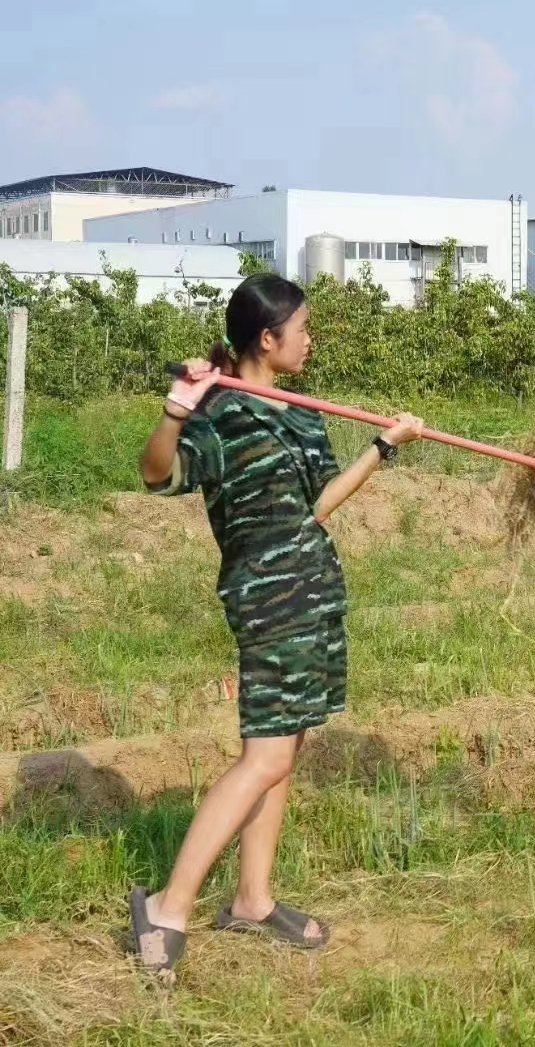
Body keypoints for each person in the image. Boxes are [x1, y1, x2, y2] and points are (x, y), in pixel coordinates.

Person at [128, 273, 424, 977]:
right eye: (303, 328)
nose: (311, 339)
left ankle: (254, 900)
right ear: (267, 337)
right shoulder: (223, 414)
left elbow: (316, 506)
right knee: (263, 756)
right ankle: (167, 908)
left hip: (313, 589)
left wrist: (383, 447)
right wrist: (178, 409)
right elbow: (155, 475)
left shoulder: (297, 410)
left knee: (285, 751)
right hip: (267, 599)